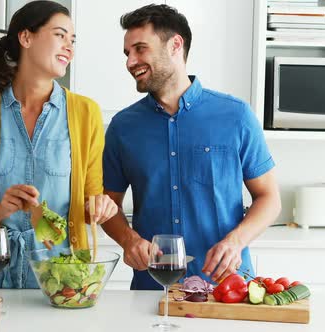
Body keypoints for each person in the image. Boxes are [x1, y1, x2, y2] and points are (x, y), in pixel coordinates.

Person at [101, 4, 282, 290]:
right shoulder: (122, 127)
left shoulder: (236, 115)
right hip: (154, 287)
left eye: (140, 49)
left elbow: (270, 198)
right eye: (127, 53)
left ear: (175, 45)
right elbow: (107, 205)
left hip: (227, 288)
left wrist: (236, 241)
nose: (130, 61)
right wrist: (128, 239)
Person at [0, 0, 117, 289]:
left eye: (72, 40)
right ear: (26, 38)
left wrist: (102, 206)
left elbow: (90, 206)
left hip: (63, 282)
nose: (69, 46)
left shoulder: (85, 113)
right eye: (59, 35)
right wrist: (3, 210)